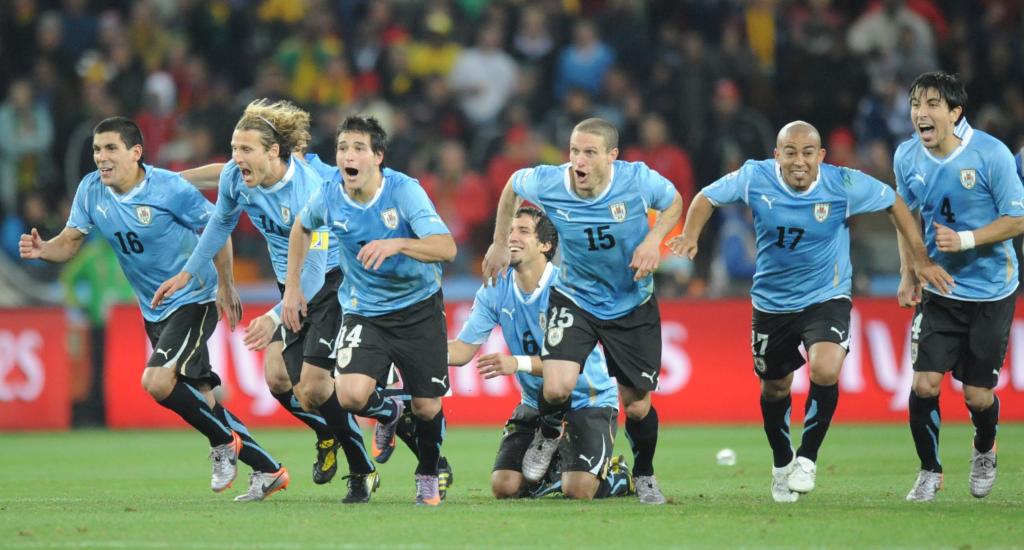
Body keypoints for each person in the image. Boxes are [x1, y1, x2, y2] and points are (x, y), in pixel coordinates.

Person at [670, 120, 953, 503]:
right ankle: (782, 462)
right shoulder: (755, 177)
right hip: (771, 302)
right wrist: (690, 234)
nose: (799, 161)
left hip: (826, 295)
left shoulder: (843, 184)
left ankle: (807, 457)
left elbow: (895, 204)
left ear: (820, 156)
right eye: (790, 152)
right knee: (775, 387)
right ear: (777, 156)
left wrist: (916, 262)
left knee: (825, 367)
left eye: (807, 153)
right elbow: (706, 197)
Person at [19, 116, 287, 500]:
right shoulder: (92, 190)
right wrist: (45, 249)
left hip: (194, 297)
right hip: (154, 308)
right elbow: (70, 241)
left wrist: (226, 284)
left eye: (111, 148)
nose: (101, 157)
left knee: (157, 381)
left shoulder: (168, 188)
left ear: (136, 153)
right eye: (97, 150)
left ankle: (223, 443)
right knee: (204, 401)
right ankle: (268, 470)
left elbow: (218, 228)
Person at [153, 100, 379, 503]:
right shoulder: (236, 178)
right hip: (288, 285)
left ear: (273, 151)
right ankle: (329, 431)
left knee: (314, 386)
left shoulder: (310, 189)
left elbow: (312, 272)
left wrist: (275, 317)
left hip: (330, 283)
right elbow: (220, 223)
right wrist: (189, 271)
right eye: (234, 149)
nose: (236, 159)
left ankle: (362, 469)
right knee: (278, 380)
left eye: (245, 150)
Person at [482, 117, 683, 505]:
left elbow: (674, 202)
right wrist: (497, 242)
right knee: (557, 386)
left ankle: (643, 473)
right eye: (575, 151)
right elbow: (511, 186)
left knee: (638, 405)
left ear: (612, 156)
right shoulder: (550, 182)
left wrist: (655, 240)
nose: (580, 160)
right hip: (575, 297)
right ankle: (548, 432)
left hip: (630, 302)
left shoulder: (637, 180)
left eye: (590, 152)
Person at [285, 115, 456, 506]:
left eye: (359, 148)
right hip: (365, 309)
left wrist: (397, 244)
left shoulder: (404, 191)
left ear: (378, 157)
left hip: (418, 307)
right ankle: (390, 411)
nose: (349, 155)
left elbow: (446, 248)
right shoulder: (329, 194)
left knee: (428, 407)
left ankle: (428, 471)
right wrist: (293, 287)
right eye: (343, 147)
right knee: (349, 395)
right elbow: (301, 227)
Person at [893, 71, 1024, 502]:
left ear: (955, 112)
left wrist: (966, 239)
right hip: (940, 291)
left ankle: (984, 448)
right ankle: (930, 470)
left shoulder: (991, 154)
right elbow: (905, 216)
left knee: (977, 395)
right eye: (916, 104)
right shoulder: (908, 157)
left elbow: (1018, 218)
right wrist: (911, 269)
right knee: (924, 385)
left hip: (990, 291)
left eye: (932, 104)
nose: (921, 113)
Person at [450, 206, 633, 500]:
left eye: (523, 231)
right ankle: (556, 456)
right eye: (509, 231)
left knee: (579, 490)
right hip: (537, 404)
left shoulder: (568, 288)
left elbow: (570, 365)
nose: (512, 237)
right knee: (504, 486)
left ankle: (616, 475)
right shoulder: (495, 288)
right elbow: (460, 351)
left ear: (546, 245)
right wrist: (411, 352)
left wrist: (516, 363)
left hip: (588, 398)